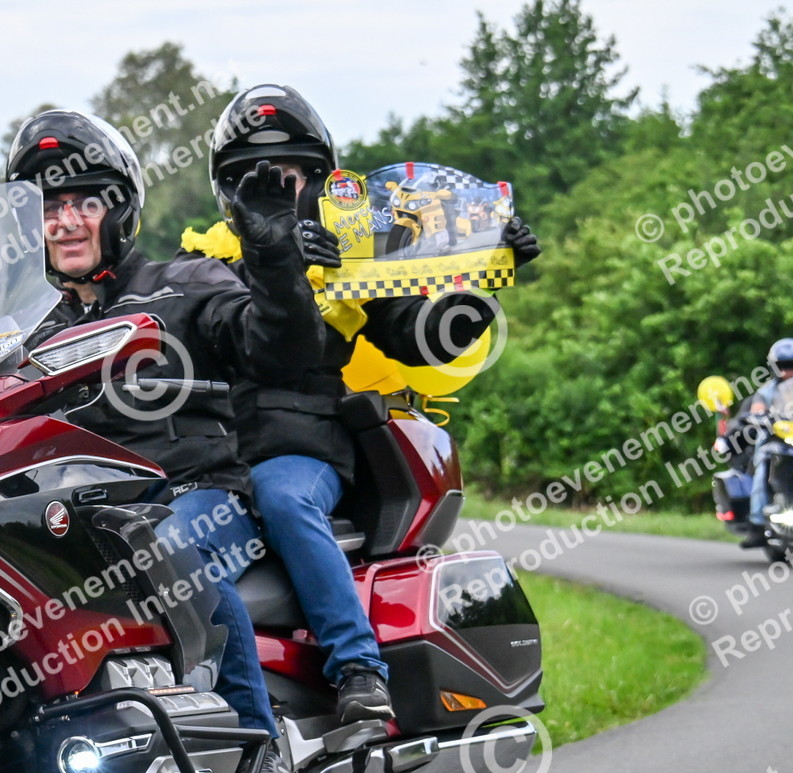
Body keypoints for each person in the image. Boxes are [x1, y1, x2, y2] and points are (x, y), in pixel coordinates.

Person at [187, 85, 541, 722]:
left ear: (320, 182)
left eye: (289, 175)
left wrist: (488, 271)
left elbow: (421, 339)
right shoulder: (202, 261)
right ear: (225, 191)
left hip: (301, 446)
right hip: (211, 460)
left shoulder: (351, 255)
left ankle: (358, 668)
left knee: (283, 496)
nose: (272, 189)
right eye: (249, 179)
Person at [8, 110, 320, 773]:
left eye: (84, 203)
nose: (65, 221)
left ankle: (259, 749)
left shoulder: (185, 283)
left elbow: (282, 350)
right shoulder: (23, 338)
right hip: (85, 518)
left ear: (119, 210)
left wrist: (274, 260)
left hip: (194, 494)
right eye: (49, 208)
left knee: (171, 547)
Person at [738, 338, 793, 546]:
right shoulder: (766, 392)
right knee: (763, 470)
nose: (788, 371)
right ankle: (757, 524)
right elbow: (757, 410)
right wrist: (759, 416)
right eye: (782, 366)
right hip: (776, 443)